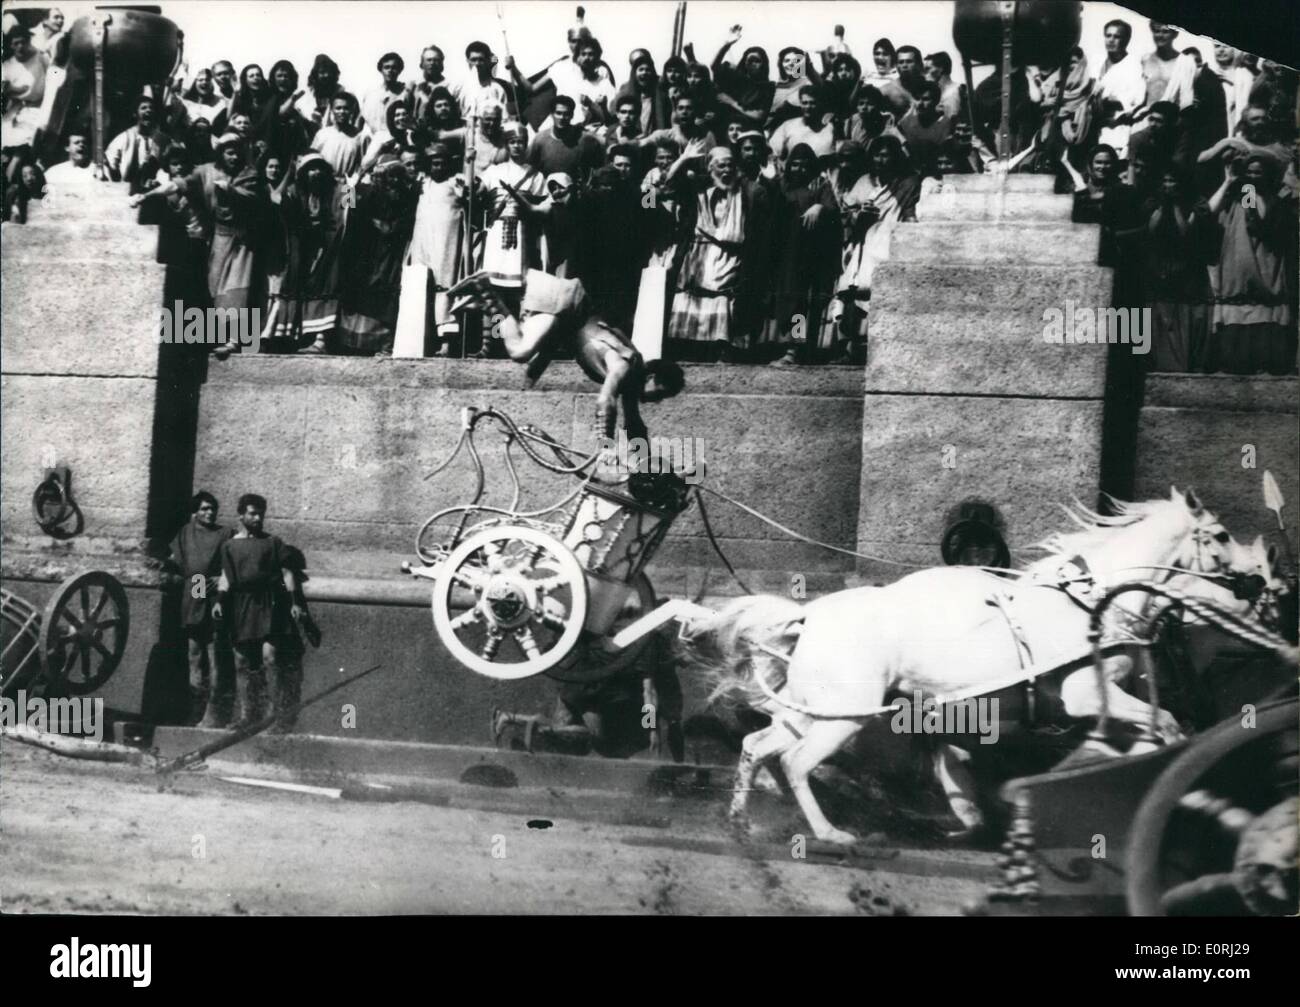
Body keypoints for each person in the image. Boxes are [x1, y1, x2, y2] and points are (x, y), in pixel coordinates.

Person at [446, 268, 684, 443]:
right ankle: (486, 290)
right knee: (519, 351)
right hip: (565, 303)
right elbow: (605, 399)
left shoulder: (631, 382)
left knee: (521, 350)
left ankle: (484, 301)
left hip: (565, 314)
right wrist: (605, 443)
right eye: (660, 393)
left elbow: (633, 422)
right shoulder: (623, 366)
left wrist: (645, 466)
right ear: (651, 375)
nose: (656, 400)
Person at [666, 143, 771, 360]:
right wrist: (683, 159)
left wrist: (771, 179)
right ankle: (690, 348)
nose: (726, 170)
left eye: (730, 165)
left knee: (723, 297)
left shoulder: (749, 191)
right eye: (720, 166)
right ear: (711, 169)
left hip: (730, 256)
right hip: (698, 256)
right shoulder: (699, 189)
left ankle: (721, 347)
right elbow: (668, 184)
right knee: (691, 296)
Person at [214, 494, 302, 732]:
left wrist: (295, 602)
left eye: (261, 513)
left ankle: (274, 716)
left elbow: (287, 574)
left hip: (269, 604)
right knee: (241, 661)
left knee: (269, 658)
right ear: (241, 516)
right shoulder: (230, 546)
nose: (258, 517)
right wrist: (219, 601)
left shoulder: (273, 543)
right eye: (252, 513)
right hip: (241, 606)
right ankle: (246, 715)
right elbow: (225, 577)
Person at [831, 134, 920, 360]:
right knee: (849, 293)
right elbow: (846, 212)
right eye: (877, 155)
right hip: (860, 241)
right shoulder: (864, 181)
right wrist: (858, 216)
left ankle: (868, 348)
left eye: (887, 155)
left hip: (884, 241)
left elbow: (910, 214)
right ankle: (837, 346)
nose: (882, 160)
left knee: (871, 292)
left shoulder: (906, 183)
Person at [1206, 154, 1297, 375]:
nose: (1254, 176)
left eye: (1259, 172)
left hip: (1266, 262)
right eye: (1250, 172)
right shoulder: (1243, 195)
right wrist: (1228, 181)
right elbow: (1212, 213)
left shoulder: (1275, 200)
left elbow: (1259, 226)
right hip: (1240, 261)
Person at [758, 143, 839, 365]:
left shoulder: (820, 185)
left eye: (805, 165)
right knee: (785, 300)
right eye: (795, 164)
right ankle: (782, 345)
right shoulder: (781, 184)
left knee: (800, 302)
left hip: (807, 254)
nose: (800, 169)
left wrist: (820, 207)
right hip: (783, 252)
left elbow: (832, 208)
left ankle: (796, 348)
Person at [264, 152, 349, 352]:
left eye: (319, 167)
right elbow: (277, 200)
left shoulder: (342, 188)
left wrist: (350, 186)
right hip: (305, 248)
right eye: (310, 168)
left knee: (327, 287)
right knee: (297, 285)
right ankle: (296, 337)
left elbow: (350, 214)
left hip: (333, 246)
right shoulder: (296, 191)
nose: (315, 173)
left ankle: (322, 340)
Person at [395, 142, 472, 356]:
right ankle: (422, 339)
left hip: (447, 243)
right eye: (433, 164)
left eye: (441, 163)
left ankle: (447, 341)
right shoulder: (422, 183)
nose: (437, 167)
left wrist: (469, 167)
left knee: (445, 286)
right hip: (423, 241)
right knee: (420, 286)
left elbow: (474, 194)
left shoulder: (454, 182)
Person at [336, 160, 418, 355]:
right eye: (389, 176)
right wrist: (351, 185)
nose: (393, 180)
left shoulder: (405, 197)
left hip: (389, 254)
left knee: (384, 293)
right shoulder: (365, 192)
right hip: (367, 250)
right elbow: (347, 211)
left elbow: (402, 224)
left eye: (397, 176)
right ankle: (353, 343)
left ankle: (384, 343)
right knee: (362, 292)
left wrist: (389, 228)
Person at [168, 491, 234, 728]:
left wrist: (221, 578)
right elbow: (176, 561)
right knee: (194, 654)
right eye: (205, 508)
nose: (210, 513)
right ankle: (194, 709)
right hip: (194, 591)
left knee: (214, 654)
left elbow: (235, 563)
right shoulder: (186, 533)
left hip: (214, 595)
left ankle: (213, 712)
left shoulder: (225, 534)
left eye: (213, 508)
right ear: (195, 511)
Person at [1141, 166, 1215, 372]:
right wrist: (1165, 206)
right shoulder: (1152, 203)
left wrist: (1174, 207)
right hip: (1160, 268)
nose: (1168, 186)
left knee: (1184, 320)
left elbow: (1186, 233)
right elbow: (1152, 230)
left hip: (1187, 270)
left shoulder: (1196, 203)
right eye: (1165, 181)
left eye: (1172, 181)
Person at [527, 34, 617, 131]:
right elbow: (531, 88)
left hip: (586, 133)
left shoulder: (604, 84)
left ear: (597, 58)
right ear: (576, 58)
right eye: (583, 54)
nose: (587, 58)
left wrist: (591, 104)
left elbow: (609, 121)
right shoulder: (564, 73)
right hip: (560, 129)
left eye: (591, 54)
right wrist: (514, 68)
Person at [1094, 19, 1146, 162]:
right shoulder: (1097, 61)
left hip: (1116, 128)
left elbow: (1136, 99)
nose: (1111, 40)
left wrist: (1111, 100)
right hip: (1093, 126)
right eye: (1108, 35)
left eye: (1117, 37)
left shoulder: (1133, 66)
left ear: (1126, 40)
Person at [526, 94, 604, 182]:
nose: (562, 118)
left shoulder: (585, 140)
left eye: (566, 114)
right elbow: (528, 168)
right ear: (552, 114)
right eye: (558, 113)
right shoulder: (540, 140)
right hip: (548, 192)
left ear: (572, 115)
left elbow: (599, 168)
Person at [104, 95, 171, 191]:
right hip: (127, 191)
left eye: (151, 108)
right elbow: (110, 167)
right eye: (143, 108)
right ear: (135, 114)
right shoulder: (123, 138)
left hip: (156, 192)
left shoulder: (163, 140)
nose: (148, 110)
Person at [710, 27, 773, 131]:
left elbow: (759, 116)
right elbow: (714, 66)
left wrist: (732, 102)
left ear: (764, 64)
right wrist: (727, 44)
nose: (752, 64)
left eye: (756, 61)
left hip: (749, 131)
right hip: (726, 128)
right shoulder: (737, 79)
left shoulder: (767, 87)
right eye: (749, 61)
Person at [2, 26, 50, 154]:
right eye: (16, 43)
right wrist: (12, 89)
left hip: (39, 110)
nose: (20, 46)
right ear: (10, 45)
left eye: (23, 42)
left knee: (27, 149)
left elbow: (53, 79)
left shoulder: (41, 58)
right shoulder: (7, 66)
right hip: (16, 111)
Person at [309, 91, 371, 179]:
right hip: (324, 183)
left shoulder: (361, 137)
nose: (342, 111)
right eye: (338, 108)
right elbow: (312, 160)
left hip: (347, 185)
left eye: (346, 108)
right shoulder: (322, 135)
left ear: (351, 110)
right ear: (332, 110)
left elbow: (365, 166)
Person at [769, 84, 836, 163]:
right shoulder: (788, 126)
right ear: (800, 103)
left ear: (819, 104)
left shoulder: (829, 128)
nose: (808, 106)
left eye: (812, 103)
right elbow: (774, 154)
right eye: (805, 103)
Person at [897, 81, 952, 176]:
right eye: (917, 99)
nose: (920, 104)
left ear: (936, 101)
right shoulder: (905, 123)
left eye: (926, 99)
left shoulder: (946, 124)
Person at [295, 53, 344, 131]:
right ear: (316, 75)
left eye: (329, 72)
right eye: (322, 72)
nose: (326, 75)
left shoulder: (343, 93)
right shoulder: (306, 95)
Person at [361, 51, 407, 134]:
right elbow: (363, 118)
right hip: (374, 138)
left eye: (394, 68)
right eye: (386, 67)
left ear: (399, 70)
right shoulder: (370, 93)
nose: (390, 70)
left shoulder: (404, 94)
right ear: (381, 70)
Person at [405, 45, 451, 123]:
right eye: (429, 60)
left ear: (441, 63)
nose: (432, 63)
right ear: (422, 63)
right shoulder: (413, 85)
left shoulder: (449, 86)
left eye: (436, 60)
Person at [1141, 21, 1183, 107]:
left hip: (1172, 117)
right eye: (1156, 31)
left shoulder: (1182, 62)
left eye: (1165, 32)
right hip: (1147, 116)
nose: (1160, 35)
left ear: (1175, 34)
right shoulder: (1145, 60)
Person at [879, 45, 927, 118]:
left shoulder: (929, 86)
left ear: (919, 64)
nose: (904, 65)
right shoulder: (886, 91)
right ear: (896, 65)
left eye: (909, 62)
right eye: (901, 62)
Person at [924, 51, 963, 120]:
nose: (924, 74)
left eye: (928, 69)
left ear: (941, 69)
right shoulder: (934, 94)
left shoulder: (957, 90)